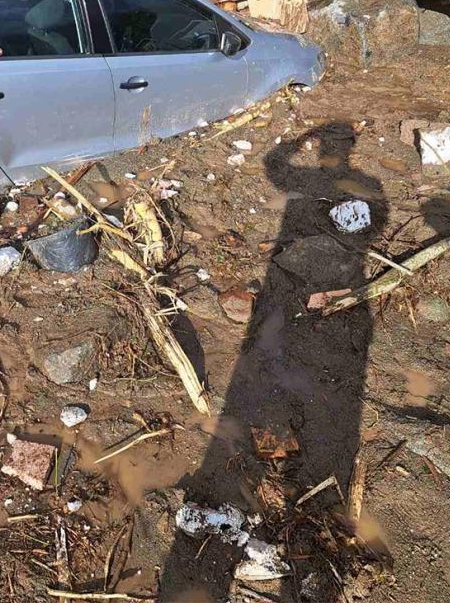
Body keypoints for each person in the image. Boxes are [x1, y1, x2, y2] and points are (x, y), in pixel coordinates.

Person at [160, 123, 388, 602]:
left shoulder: (340, 192)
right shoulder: (355, 191)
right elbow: (278, 172)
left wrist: (292, 145)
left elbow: (277, 170)